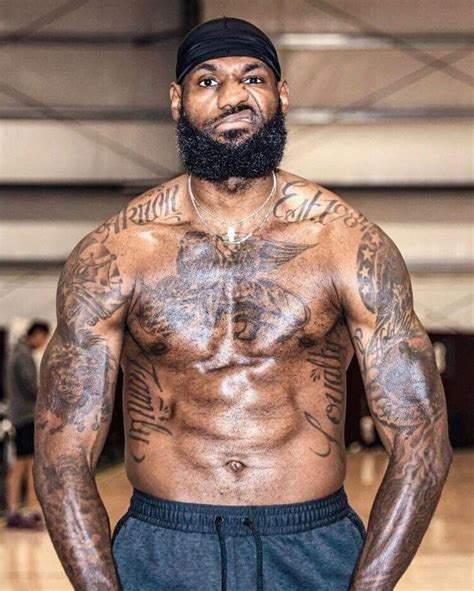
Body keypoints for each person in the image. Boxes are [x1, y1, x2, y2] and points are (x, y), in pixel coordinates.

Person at [34, 17, 452, 591]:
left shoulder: (347, 245)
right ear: (177, 101)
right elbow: (61, 451)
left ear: (282, 95)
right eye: (207, 81)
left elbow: (421, 440)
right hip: (164, 546)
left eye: (253, 78)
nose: (232, 96)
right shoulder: (117, 254)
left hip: (311, 544)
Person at [5, 320, 50, 529]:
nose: (43, 343)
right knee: (29, 464)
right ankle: (30, 511)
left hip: (19, 417)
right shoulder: (23, 356)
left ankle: (15, 511)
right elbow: (32, 387)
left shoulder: (16, 352)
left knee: (20, 464)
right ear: (37, 334)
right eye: (44, 338)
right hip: (25, 417)